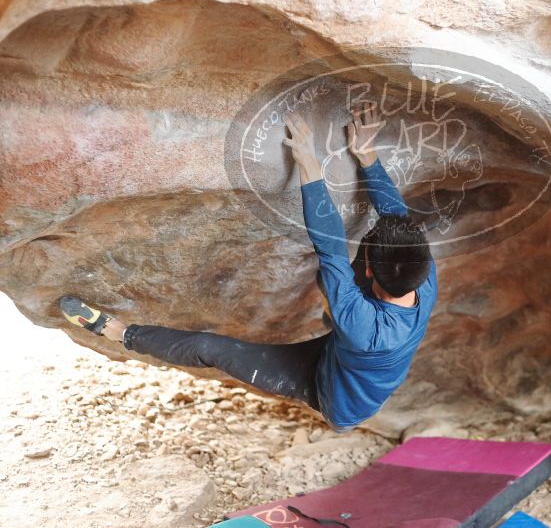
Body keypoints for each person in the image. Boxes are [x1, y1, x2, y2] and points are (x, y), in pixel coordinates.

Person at [59, 103, 437, 432]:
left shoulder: (360, 323)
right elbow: (395, 216)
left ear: (370, 273)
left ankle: (119, 332)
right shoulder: (421, 272)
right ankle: (331, 319)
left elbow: (330, 246)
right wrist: (366, 154)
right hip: (351, 348)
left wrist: (308, 162)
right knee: (343, 269)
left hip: (331, 393)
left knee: (210, 346)